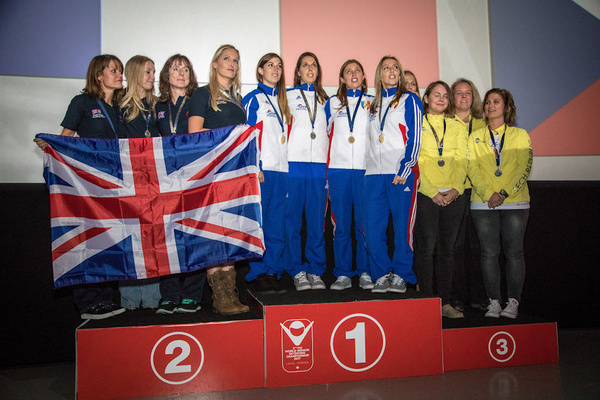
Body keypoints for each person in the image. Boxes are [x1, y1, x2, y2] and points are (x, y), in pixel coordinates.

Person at [33, 54, 126, 319]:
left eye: (120, 70)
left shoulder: (120, 107)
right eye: (113, 70)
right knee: (89, 241)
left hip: (114, 185)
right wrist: (51, 145)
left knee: (110, 241)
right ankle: (88, 302)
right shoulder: (82, 102)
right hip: (88, 186)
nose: (120, 75)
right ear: (98, 75)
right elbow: (65, 140)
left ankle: (105, 299)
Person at [188, 44, 250, 315]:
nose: (232, 64)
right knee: (214, 231)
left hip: (234, 173)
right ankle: (219, 296)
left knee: (230, 230)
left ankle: (231, 292)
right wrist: (227, 139)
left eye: (236, 60)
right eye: (226, 59)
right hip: (211, 172)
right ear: (215, 64)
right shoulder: (203, 94)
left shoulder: (237, 98)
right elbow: (194, 132)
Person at [468, 88, 532, 319]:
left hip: (515, 203)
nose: (490, 106)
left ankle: (513, 302)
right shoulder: (474, 137)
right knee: (488, 253)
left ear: (506, 106)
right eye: (487, 102)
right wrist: (489, 194)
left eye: (496, 101)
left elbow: (524, 167)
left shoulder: (520, 135)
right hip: (483, 203)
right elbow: (472, 168)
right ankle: (493, 302)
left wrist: (503, 193)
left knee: (514, 253)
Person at [364, 56, 422, 293]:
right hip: (373, 175)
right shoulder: (373, 104)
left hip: (400, 173)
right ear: (380, 74)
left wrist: (405, 167)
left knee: (402, 228)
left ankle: (401, 274)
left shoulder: (410, 99)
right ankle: (381, 274)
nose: (391, 71)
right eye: (386, 67)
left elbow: (415, 137)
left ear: (400, 74)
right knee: (371, 228)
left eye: (395, 67)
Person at [154, 54, 206, 314]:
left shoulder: (198, 100)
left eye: (186, 69)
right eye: (176, 68)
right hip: (166, 179)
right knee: (166, 238)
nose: (181, 73)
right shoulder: (157, 106)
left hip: (194, 177)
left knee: (195, 234)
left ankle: (192, 295)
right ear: (167, 74)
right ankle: (169, 295)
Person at [413, 81, 468, 318]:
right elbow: (416, 158)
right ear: (426, 98)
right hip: (426, 193)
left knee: (447, 251)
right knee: (425, 249)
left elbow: (463, 160)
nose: (441, 99)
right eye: (436, 95)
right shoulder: (417, 124)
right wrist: (431, 191)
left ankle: (445, 303)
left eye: (445, 96)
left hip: (454, 195)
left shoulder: (457, 126)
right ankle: (425, 302)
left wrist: (456, 189)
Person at [116, 55, 162, 310]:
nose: (153, 77)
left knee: (153, 236)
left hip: (153, 179)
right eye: (148, 72)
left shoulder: (157, 104)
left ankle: (153, 297)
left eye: (154, 72)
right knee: (131, 236)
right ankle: (130, 298)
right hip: (129, 178)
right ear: (135, 74)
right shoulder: (120, 104)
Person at [242, 53, 291, 294]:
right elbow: (247, 135)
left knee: (276, 225)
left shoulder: (283, 102)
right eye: (270, 65)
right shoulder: (253, 98)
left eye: (279, 65)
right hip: (262, 172)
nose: (275, 69)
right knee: (259, 224)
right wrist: (256, 166)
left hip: (282, 171)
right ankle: (258, 272)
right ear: (260, 70)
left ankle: (272, 270)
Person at [324, 59, 374, 290]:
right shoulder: (332, 103)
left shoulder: (373, 103)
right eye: (348, 71)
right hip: (339, 170)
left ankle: (365, 271)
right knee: (341, 225)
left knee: (364, 225)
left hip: (365, 171)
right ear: (342, 78)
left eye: (357, 70)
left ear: (363, 76)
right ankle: (343, 273)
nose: (353, 74)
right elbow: (323, 135)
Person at [285, 52, 329, 291]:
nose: (310, 68)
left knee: (316, 223)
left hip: (319, 166)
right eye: (305, 65)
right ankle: (296, 270)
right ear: (298, 71)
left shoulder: (326, 100)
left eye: (314, 65)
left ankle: (315, 269)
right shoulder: (288, 96)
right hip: (294, 164)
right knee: (292, 222)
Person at [450, 78, 487, 312]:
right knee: (455, 247)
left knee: (479, 247)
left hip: (479, 192)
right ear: (451, 97)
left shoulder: (484, 125)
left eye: (468, 93)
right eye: (459, 93)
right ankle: (456, 297)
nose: (464, 97)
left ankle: (480, 297)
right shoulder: (445, 123)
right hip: (453, 191)